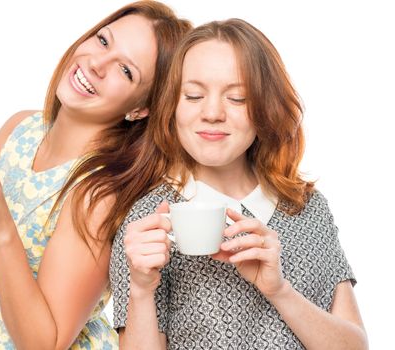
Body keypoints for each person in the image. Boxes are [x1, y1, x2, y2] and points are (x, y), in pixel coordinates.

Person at [0, 1, 191, 348]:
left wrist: (2, 230)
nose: (96, 64)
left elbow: (45, 343)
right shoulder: (21, 129)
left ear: (140, 109)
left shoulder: (100, 190)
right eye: (103, 41)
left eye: (126, 71)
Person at [110, 19, 368, 349]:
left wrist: (278, 289)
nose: (213, 112)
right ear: (172, 106)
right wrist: (142, 289)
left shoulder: (306, 207)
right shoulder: (146, 222)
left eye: (237, 98)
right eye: (193, 95)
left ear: (266, 108)